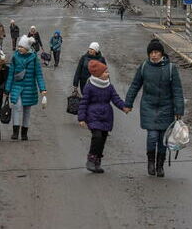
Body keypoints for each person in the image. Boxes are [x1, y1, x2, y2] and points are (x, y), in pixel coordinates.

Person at [124, 39, 185, 178]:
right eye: (151, 52)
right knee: (152, 136)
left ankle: (160, 165)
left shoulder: (171, 69)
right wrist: (128, 103)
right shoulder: (144, 66)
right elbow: (135, 85)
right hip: (148, 106)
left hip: (166, 107)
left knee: (163, 138)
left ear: (162, 53)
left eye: (156, 52)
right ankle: (151, 162)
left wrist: (179, 110)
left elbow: (177, 90)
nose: (153, 55)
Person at [78, 60, 129, 173]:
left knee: (103, 138)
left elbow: (116, 99)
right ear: (98, 74)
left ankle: (97, 162)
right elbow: (84, 103)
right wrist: (81, 118)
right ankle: (91, 159)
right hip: (93, 115)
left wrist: (124, 107)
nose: (108, 74)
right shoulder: (89, 86)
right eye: (105, 72)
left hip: (106, 116)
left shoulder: (109, 86)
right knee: (97, 136)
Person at [5, 35, 47, 141]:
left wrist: (42, 89)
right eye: (18, 46)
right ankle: (15, 132)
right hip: (17, 86)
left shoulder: (34, 58)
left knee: (27, 110)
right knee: (17, 106)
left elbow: (39, 75)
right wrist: (7, 89)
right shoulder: (15, 57)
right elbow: (10, 74)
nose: (19, 49)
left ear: (27, 48)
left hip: (29, 88)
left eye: (21, 47)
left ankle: (24, 133)